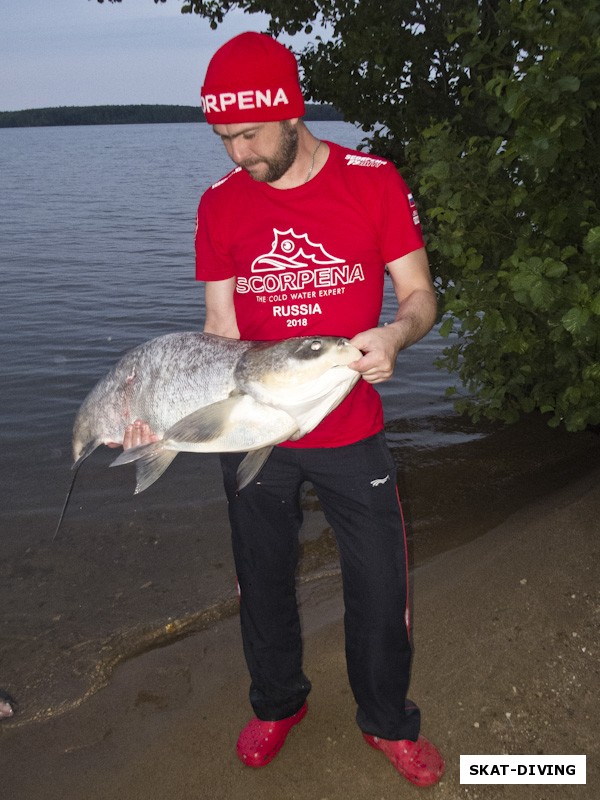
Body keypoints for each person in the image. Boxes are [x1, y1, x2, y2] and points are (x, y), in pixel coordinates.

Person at [125, 31, 444, 788]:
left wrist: (397, 334)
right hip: (252, 425)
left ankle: (388, 722)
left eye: (249, 134)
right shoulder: (219, 205)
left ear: (291, 114)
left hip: (347, 426)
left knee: (381, 584)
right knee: (260, 577)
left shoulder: (371, 180)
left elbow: (422, 295)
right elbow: (220, 336)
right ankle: (276, 702)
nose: (236, 153)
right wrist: (164, 417)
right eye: (223, 136)